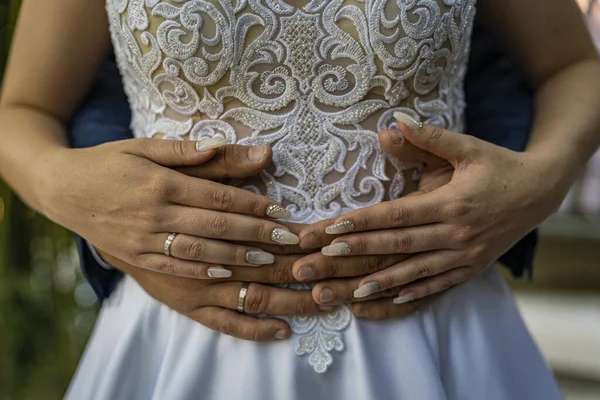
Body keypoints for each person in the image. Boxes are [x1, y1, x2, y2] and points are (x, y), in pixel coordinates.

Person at [1, 1, 599, 399]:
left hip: (438, 326)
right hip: (181, 336)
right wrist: (73, 190)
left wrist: (537, 184)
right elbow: (22, 112)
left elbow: (574, 68)